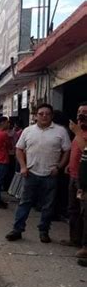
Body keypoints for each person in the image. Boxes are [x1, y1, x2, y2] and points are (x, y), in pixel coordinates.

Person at [6, 103, 71, 243]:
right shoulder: (28, 131)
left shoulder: (60, 131)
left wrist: (59, 167)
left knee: (48, 206)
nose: (44, 116)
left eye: (47, 114)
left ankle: (44, 231)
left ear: (51, 116)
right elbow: (18, 149)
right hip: (31, 173)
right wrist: (23, 167)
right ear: (36, 116)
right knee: (24, 203)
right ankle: (17, 230)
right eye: (41, 114)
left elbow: (67, 151)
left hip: (51, 174)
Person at [62, 103, 87, 248]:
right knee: (73, 209)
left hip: (84, 179)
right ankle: (74, 239)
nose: (81, 114)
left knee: (84, 212)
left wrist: (77, 132)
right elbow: (76, 151)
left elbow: (86, 150)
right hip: (73, 175)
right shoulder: (79, 131)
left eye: (84, 112)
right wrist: (69, 165)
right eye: (79, 111)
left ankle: (85, 245)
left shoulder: (79, 132)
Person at [0, 117, 12, 209]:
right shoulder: (4, 134)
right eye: (7, 122)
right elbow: (10, 146)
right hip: (2, 160)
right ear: (3, 123)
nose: (8, 124)